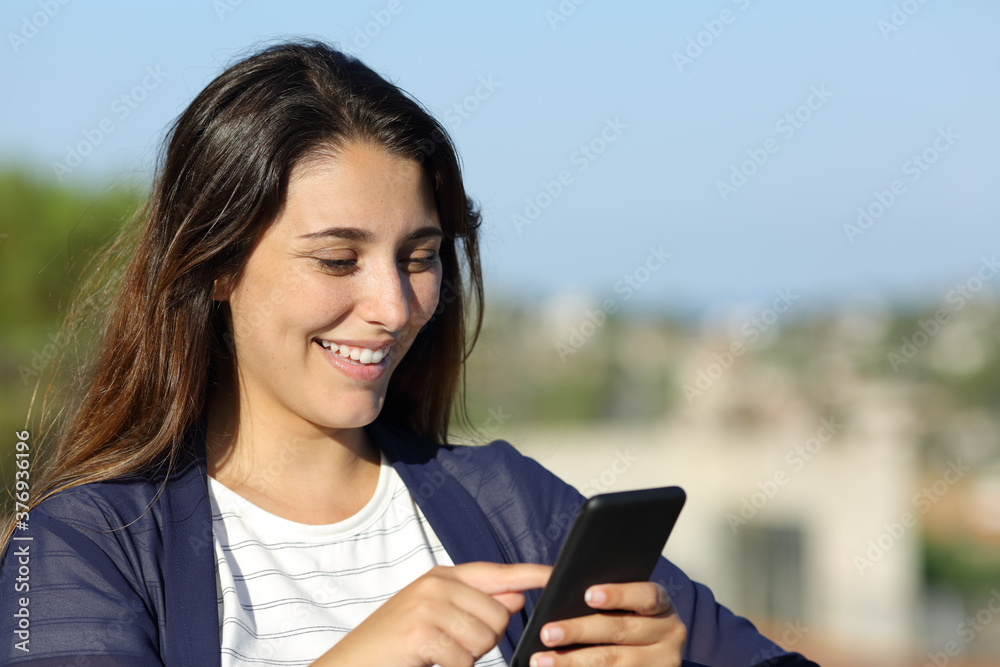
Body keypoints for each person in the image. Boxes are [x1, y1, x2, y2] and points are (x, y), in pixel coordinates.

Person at [0, 40, 818, 667]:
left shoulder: (514, 504)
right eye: (336, 258)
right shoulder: (82, 547)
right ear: (215, 264)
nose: (393, 307)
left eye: (418, 256)